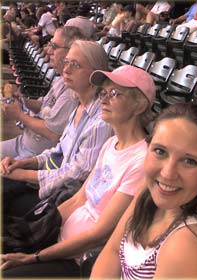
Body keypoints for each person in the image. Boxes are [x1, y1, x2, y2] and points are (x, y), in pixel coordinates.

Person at [1, 65, 156, 278]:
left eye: (114, 94)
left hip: (79, 260)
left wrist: (36, 256)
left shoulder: (141, 162)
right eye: (103, 92)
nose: (103, 99)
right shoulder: (111, 143)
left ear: (139, 106)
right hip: (58, 241)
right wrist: (39, 230)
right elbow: (78, 199)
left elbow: (99, 235)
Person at [91, 103, 197, 279]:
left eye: (189, 161)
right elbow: (113, 251)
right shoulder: (148, 191)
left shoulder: (192, 240)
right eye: (160, 151)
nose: (167, 174)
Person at [1, 40, 114, 217]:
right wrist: (26, 163)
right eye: (67, 62)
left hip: (62, 200)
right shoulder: (79, 105)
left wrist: (24, 174)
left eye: (75, 65)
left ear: (96, 74)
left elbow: (76, 175)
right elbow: (58, 151)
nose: (66, 69)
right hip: (49, 180)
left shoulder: (100, 121)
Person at [1, 26, 84, 160]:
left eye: (54, 46)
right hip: (23, 142)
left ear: (72, 52)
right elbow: (44, 104)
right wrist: (22, 100)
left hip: (37, 155)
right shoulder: (62, 79)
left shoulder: (72, 92)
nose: (48, 51)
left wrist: (19, 115)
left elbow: (53, 133)